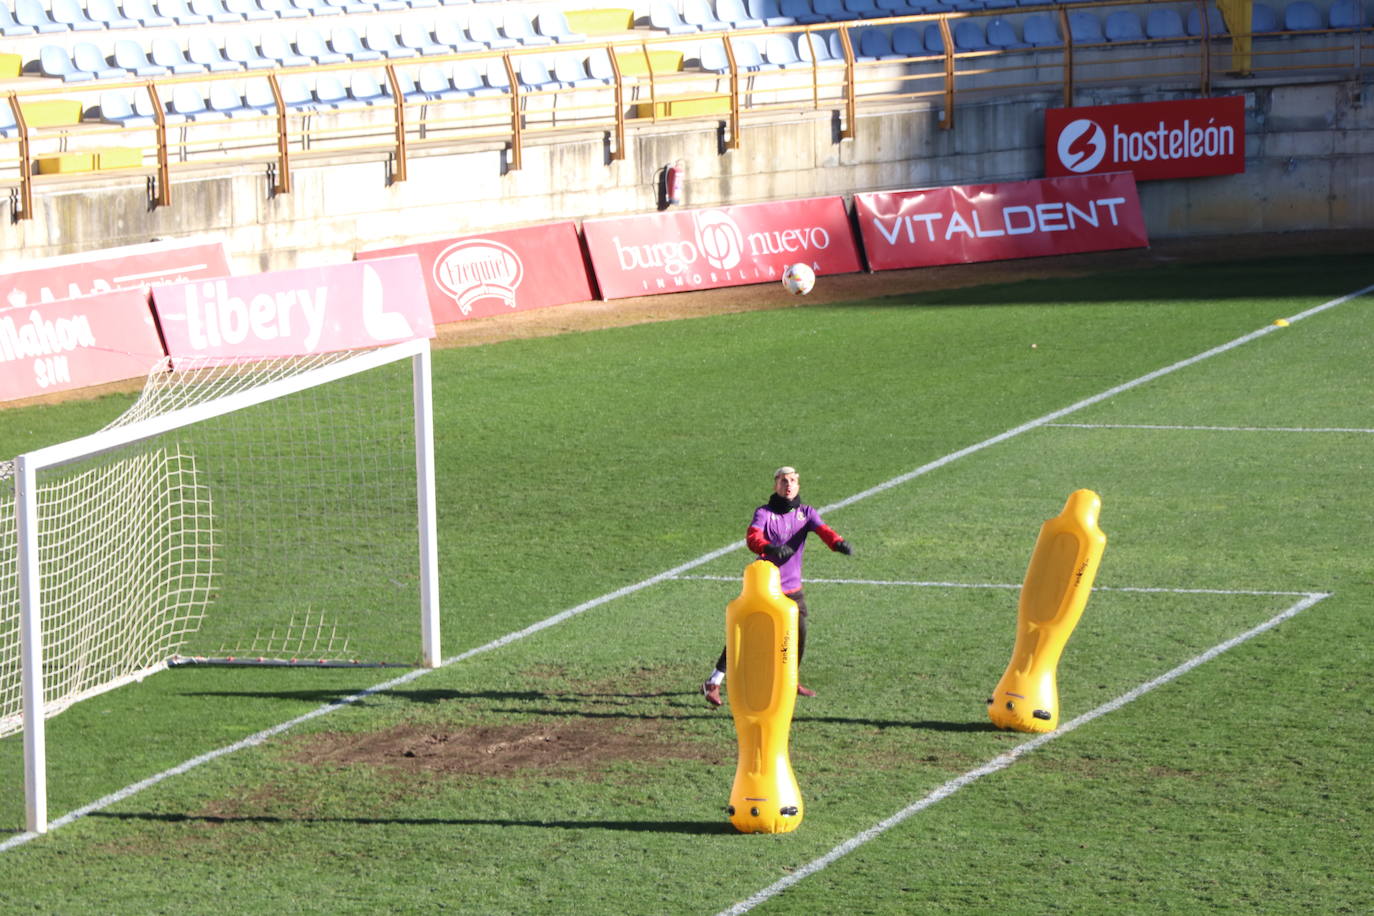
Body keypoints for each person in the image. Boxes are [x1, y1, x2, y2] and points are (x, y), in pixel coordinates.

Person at [701, 466, 853, 707]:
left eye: (792, 481)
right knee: (745, 635)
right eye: (783, 481)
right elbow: (753, 537)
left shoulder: (806, 513)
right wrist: (769, 548)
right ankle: (714, 681)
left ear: (798, 485)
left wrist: (838, 543)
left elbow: (824, 530)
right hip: (765, 587)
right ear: (776, 485)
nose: (788, 485)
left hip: (793, 590)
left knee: (800, 634)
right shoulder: (764, 512)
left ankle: (791, 681)